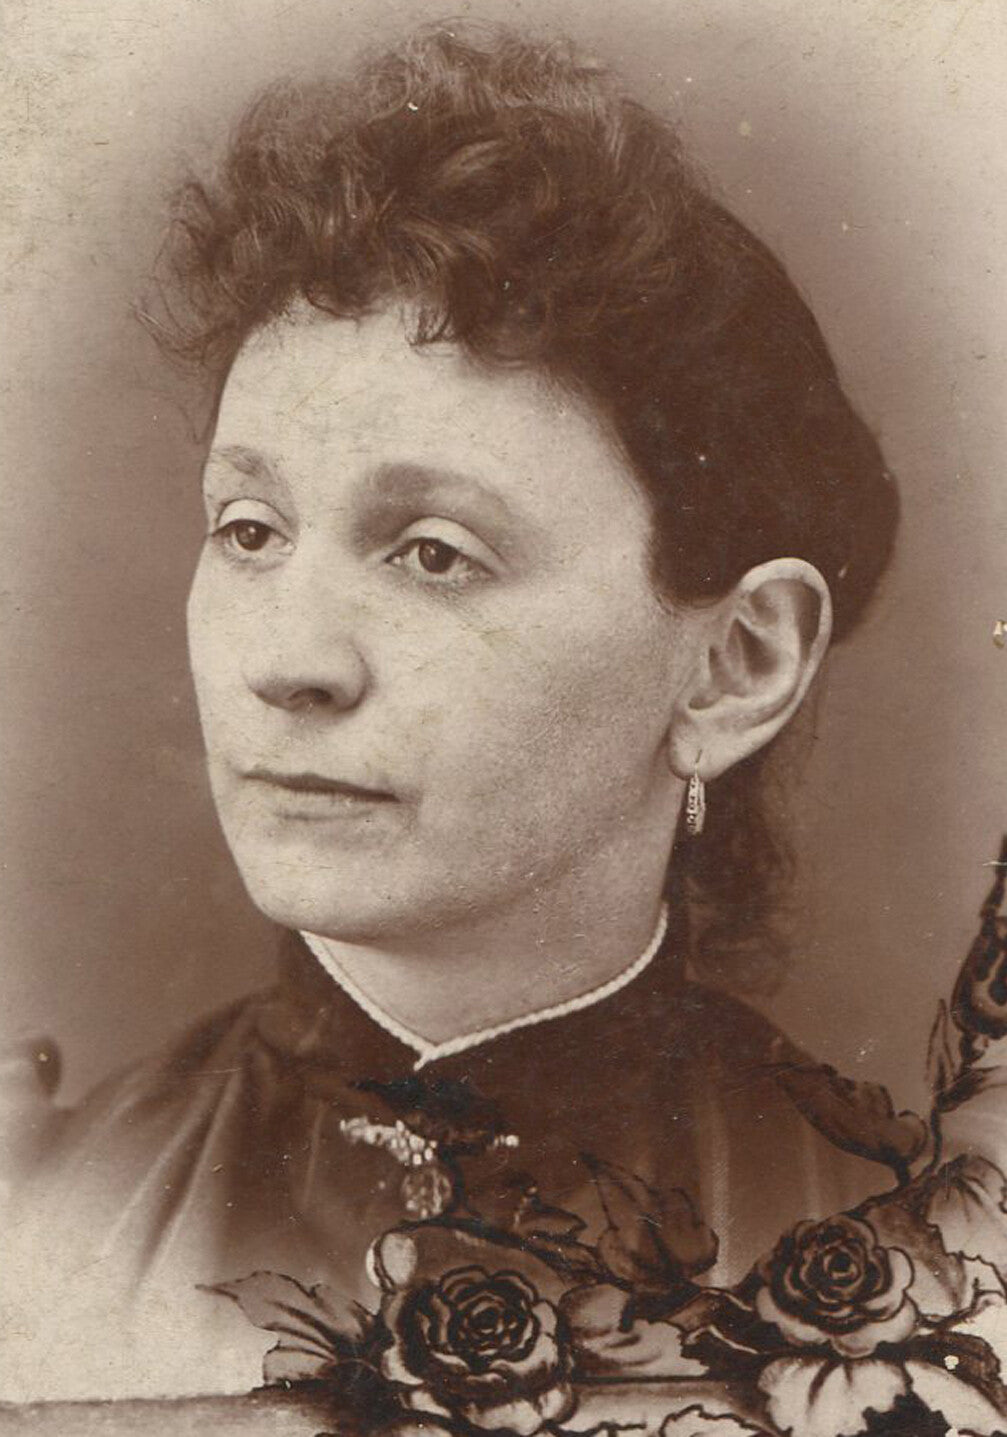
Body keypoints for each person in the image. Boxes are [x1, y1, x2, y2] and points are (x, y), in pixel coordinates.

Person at [1, 19, 949, 1405]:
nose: (289, 660)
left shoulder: (938, 1269)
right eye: (251, 529)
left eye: (434, 552)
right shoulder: (35, 1225)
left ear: (733, 663)